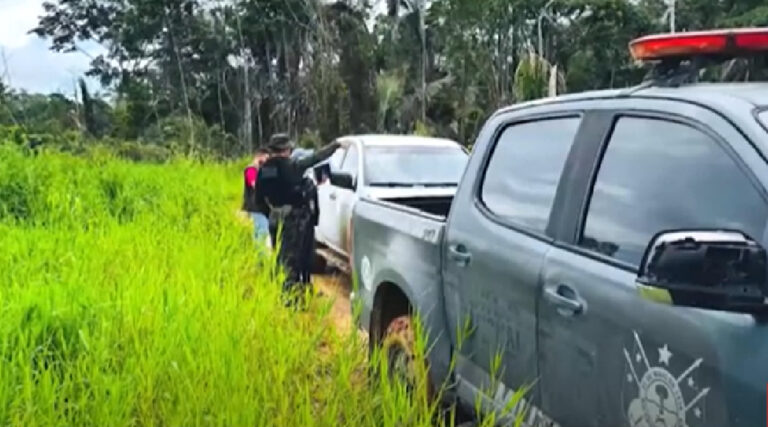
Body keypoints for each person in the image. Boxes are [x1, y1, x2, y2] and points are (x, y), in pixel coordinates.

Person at [255, 133, 342, 303]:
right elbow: (315, 158)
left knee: (279, 255)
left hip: (274, 217)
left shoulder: (263, 170)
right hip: (291, 220)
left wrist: (272, 213)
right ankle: (291, 298)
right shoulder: (290, 167)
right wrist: (334, 146)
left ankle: (283, 291)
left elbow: (258, 199)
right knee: (292, 259)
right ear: (286, 150)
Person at [241, 148, 271, 244]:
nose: (267, 161)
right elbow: (254, 184)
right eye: (266, 158)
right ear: (259, 156)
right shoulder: (251, 170)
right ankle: (261, 257)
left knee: (259, 234)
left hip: (261, 208)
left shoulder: (260, 170)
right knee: (261, 234)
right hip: (255, 208)